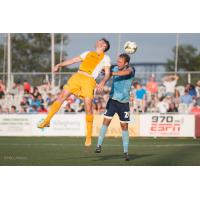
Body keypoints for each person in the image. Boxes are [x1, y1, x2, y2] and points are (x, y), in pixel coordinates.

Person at [38, 38, 111, 146]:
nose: (97, 41)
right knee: (61, 96)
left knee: (88, 105)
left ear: (104, 46)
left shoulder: (106, 58)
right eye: (98, 41)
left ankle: (88, 136)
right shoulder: (88, 53)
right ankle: (47, 120)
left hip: (89, 80)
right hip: (77, 76)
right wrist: (59, 65)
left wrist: (103, 82)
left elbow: (107, 73)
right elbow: (73, 60)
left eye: (100, 41)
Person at [95, 53, 135, 161]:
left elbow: (126, 73)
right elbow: (106, 72)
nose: (118, 63)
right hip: (112, 101)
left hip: (124, 103)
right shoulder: (114, 68)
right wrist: (104, 72)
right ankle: (98, 145)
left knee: (124, 127)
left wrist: (112, 73)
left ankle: (126, 152)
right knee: (105, 122)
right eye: (117, 61)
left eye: (120, 62)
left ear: (126, 63)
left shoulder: (131, 69)